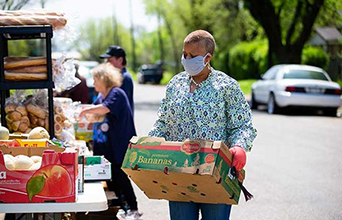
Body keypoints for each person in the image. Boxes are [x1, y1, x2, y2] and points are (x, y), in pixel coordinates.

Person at [148, 30, 257, 220]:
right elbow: (164, 121)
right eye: (185, 54)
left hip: (215, 172)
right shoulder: (175, 84)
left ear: (208, 57)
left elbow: (243, 124)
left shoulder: (227, 86)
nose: (187, 59)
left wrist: (239, 145)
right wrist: (149, 143)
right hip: (178, 170)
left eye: (193, 56)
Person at [79, 63, 141, 220]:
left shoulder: (116, 93)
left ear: (103, 79)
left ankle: (133, 208)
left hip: (118, 144)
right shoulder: (100, 96)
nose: (92, 82)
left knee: (121, 176)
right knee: (110, 177)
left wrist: (85, 111)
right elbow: (95, 114)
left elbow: (104, 109)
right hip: (106, 145)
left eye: (95, 79)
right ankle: (121, 207)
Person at [100, 45, 134, 113]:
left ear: (120, 60)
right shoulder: (115, 76)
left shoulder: (124, 77)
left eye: (110, 60)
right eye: (106, 60)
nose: (107, 63)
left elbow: (117, 105)